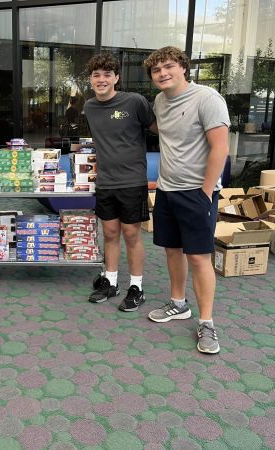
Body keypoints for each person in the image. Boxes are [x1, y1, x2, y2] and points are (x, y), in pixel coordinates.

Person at [143, 46, 230, 354]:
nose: (162, 73)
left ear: (183, 67)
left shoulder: (207, 99)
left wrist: (206, 192)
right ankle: (178, 303)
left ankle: (207, 322)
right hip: (167, 190)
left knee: (198, 257)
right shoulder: (159, 100)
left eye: (168, 66)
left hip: (197, 192)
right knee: (172, 251)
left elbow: (220, 147)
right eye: (156, 70)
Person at [83, 52, 157, 311]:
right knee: (110, 233)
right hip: (105, 182)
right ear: (91, 80)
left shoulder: (135, 102)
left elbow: (160, 129)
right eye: (96, 75)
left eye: (107, 75)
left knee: (131, 234)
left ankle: (137, 287)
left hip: (132, 181)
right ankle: (110, 281)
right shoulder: (89, 107)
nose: (101, 79)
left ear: (116, 78)